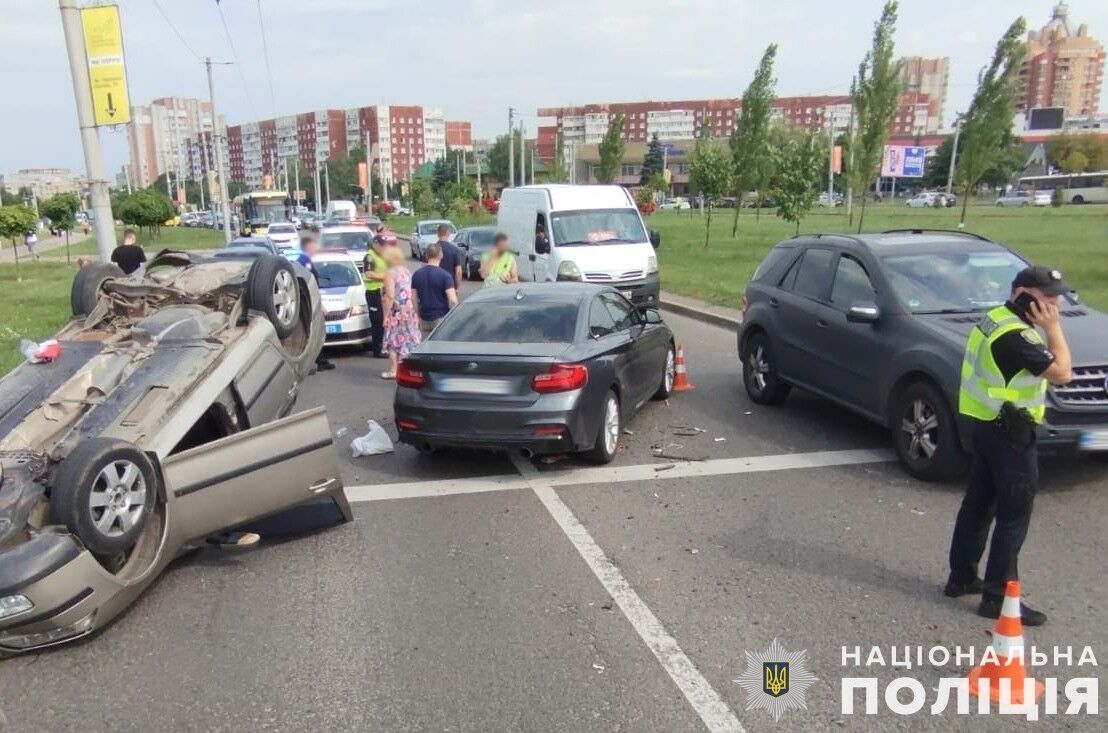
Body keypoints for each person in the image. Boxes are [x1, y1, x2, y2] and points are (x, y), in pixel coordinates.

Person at [946, 266, 1073, 627]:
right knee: (1013, 515)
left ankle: (961, 578)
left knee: (979, 503)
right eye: (1047, 297)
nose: (1053, 305)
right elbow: (1063, 373)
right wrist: (1053, 330)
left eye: (1056, 298)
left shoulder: (994, 318)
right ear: (1021, 293)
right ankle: (997, 598)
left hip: (986, 424)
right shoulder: (1016, 336)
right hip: (1011, 434)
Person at [296, 233, 336, 372]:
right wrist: (319, 305)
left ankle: (319, 361)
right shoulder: (305, 262)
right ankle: (319, 361)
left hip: (309, 303)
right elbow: (308, 285)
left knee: (313, 333)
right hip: (310, 303)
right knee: (315, 333)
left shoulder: (303, 261)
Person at [380, 245, 420, 379]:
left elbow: (390, 296)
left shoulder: (390, 273)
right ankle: (409, 368)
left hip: (396, 311)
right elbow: (410, 293)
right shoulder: (406, 271)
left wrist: (385, 316)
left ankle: (393, 370)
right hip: (408, 310)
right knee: (408, 339)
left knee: (392, 340)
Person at [410, 242, 458, 337]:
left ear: (426, 256)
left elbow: (413, 299)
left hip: (424, 317)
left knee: (425, 347)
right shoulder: (445, 276)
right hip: (441, 318)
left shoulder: (417, 274)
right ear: (441, 255)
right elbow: (452, 300)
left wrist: (416, 316)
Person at [361, 234, 389, 357]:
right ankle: (377, 350)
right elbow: (368, 273)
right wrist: (385, 276)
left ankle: (384, 345)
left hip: (382, 291)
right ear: (375, 244)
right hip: (373, 292)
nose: (383, 248)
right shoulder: (369, 256)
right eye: (381, 245)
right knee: (377, 320)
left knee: (384, 319)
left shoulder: (381, 255)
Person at [434, 223, 463, 290]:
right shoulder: (454, 250)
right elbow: (458, 272)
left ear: (437, 234)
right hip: (449, 285)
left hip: (434, 285)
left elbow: (425, 268)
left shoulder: (431, 249)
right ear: (448, 234)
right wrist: (456, 288)